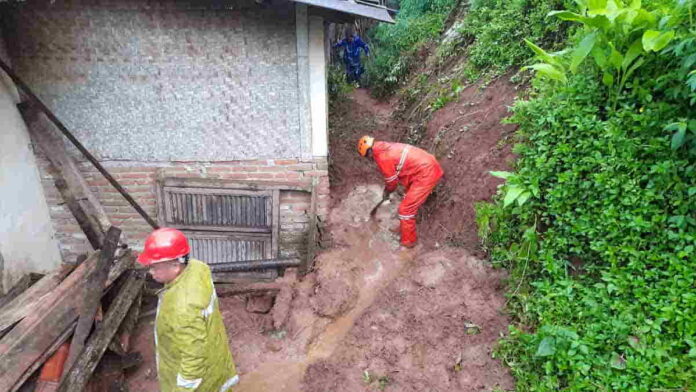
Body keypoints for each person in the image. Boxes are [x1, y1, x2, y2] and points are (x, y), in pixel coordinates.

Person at [137, 228, 238, 392]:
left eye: (155, 267)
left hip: (198, 380)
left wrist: (183, 388)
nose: (151, 272)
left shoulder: (182, 307)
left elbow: (194, 356)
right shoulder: (197, 269)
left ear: (176, 266)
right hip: (215, 356)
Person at [358, 136, 444, 248]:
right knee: (406, 198)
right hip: (423, 168)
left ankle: (408, 243)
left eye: (367, 157)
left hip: (426, 173)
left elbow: (392, 181)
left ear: (368, 153)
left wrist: (387, 191)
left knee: (405, 210)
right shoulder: (385, 146)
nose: (370, 159)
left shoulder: (381, 156)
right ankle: (404, 229)